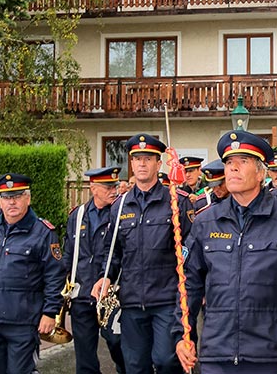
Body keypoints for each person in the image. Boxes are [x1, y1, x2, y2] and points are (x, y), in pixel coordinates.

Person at [174, 130, 277, 374]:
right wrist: (181, 334)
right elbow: (189, 285)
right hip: (217, 353)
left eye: (243, 162)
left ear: (261, 173)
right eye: (229, 163)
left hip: (269, 354)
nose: (233, 169)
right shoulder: (206, 222)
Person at [91, 133, 194, 374]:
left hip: (167, 300)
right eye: (137, 159)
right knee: (135, 366)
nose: (142, 164)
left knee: (167, 361)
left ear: (159, 164)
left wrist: (190, 289)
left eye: (148, 159)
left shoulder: (176, 202)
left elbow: (190, 250)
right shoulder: (120, 205)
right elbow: (112, 250)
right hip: (132, 300)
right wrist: (106, 276)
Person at [0, 173, 65, 373]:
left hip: (24, 323)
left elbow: (54, 276)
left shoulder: (43, 232)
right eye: (6, 197)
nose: (12, 202)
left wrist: (49, 312)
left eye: (17, 196)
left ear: (28, 198)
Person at [63, 167, 126, 374]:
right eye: (108, 187)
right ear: (93, 188)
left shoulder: (120, 213)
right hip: (82, 293)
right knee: (84, 354)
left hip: (113, 294)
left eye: (115, 186)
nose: (114, 191)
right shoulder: (77, 215)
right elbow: (69, 254)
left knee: (117, 343)